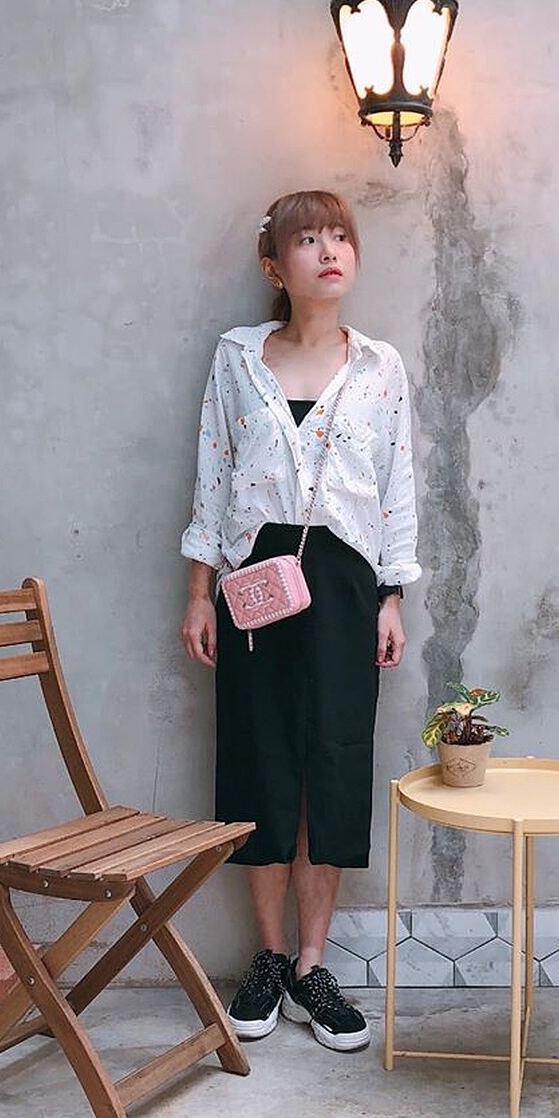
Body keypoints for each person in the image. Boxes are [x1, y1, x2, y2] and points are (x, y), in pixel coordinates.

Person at [180, 189, 420, 1053]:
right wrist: (199, 592)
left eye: (340, 237)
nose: (329, 252)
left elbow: (397, 484)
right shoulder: (238, 358)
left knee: (333, 765)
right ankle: (270, 959)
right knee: (260, 766)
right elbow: (212, 475)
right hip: (254, 581)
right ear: (273, 265)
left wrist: (392, 596)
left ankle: (315, 965)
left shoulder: (381, 367)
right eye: (308, 240)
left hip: (347, 582)